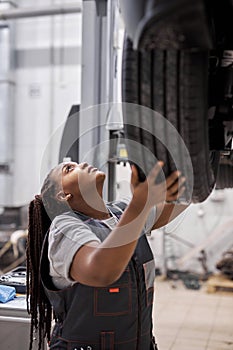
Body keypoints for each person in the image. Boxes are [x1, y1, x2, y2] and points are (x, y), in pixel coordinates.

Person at [26, 160, 187, 350]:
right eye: (69, 169)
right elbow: (100, 271)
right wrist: (139, 204)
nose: (83, 163)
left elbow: (183, 198)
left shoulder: (122, 212)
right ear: (63, 196)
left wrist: (200, 164)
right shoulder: (65, 227)